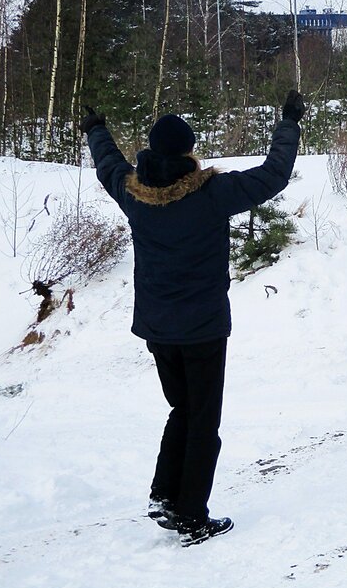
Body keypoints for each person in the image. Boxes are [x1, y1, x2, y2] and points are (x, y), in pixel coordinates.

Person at [80, 90, 305, 546]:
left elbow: (108, 165)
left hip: (157, 329)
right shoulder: (212, 193)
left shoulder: (134, 194)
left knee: (182, 408)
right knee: (202, 420)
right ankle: (190, 514)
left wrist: (96, 130)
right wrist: (288, 124)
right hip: (202, 329)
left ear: (151, 151)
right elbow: (273, 174)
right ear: (188, 151)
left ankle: (165, 495)